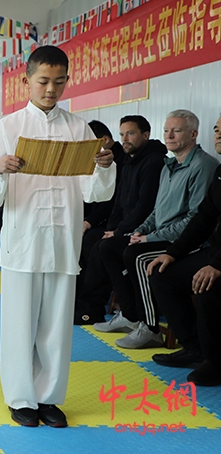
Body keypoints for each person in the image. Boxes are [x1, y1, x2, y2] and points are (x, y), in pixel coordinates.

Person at [0, 46, 115, 428]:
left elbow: (96, 193)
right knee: (20, 324)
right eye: (43, 82)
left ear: (67, 81)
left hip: (62, 240)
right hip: (23, 240)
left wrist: (104, 166)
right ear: (27, 81)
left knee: (56, 325)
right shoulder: (6, 128)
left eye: (58, 82)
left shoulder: (79, 129)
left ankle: (50, 397)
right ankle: (21, 398)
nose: (50, 90)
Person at [94, 110, 217, 348]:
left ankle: (149, 327)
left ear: (193, 134)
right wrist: (139, 231)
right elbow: (156, 211)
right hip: (161, 235)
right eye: (166, 130)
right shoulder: (168, 165)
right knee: (109, 246)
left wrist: (150, 237)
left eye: (177, 130)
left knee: (136, 256)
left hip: (188, 242)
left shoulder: (203, 166)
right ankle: (131, 314)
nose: (169, 135)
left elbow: (196, 219)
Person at [147, 115, 221, 387]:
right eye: (217, 130)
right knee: (163, 273)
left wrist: (216, 264)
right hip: (215, 253)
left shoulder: (205, 166)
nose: (218, 136)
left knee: (206, 285)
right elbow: (203, 219)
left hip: (219, 258)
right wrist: (173, 253)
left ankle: (215, 360)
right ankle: (195, 348)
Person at [73, 120, 126, 324]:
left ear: (103, 141)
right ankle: (75, 302)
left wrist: (92, 223)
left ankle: (89, 308)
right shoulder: (93, 160)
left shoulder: (117, 162)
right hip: (102, 220)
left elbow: (112, 202)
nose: (125, 139)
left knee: (90, 244)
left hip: (113, 224)